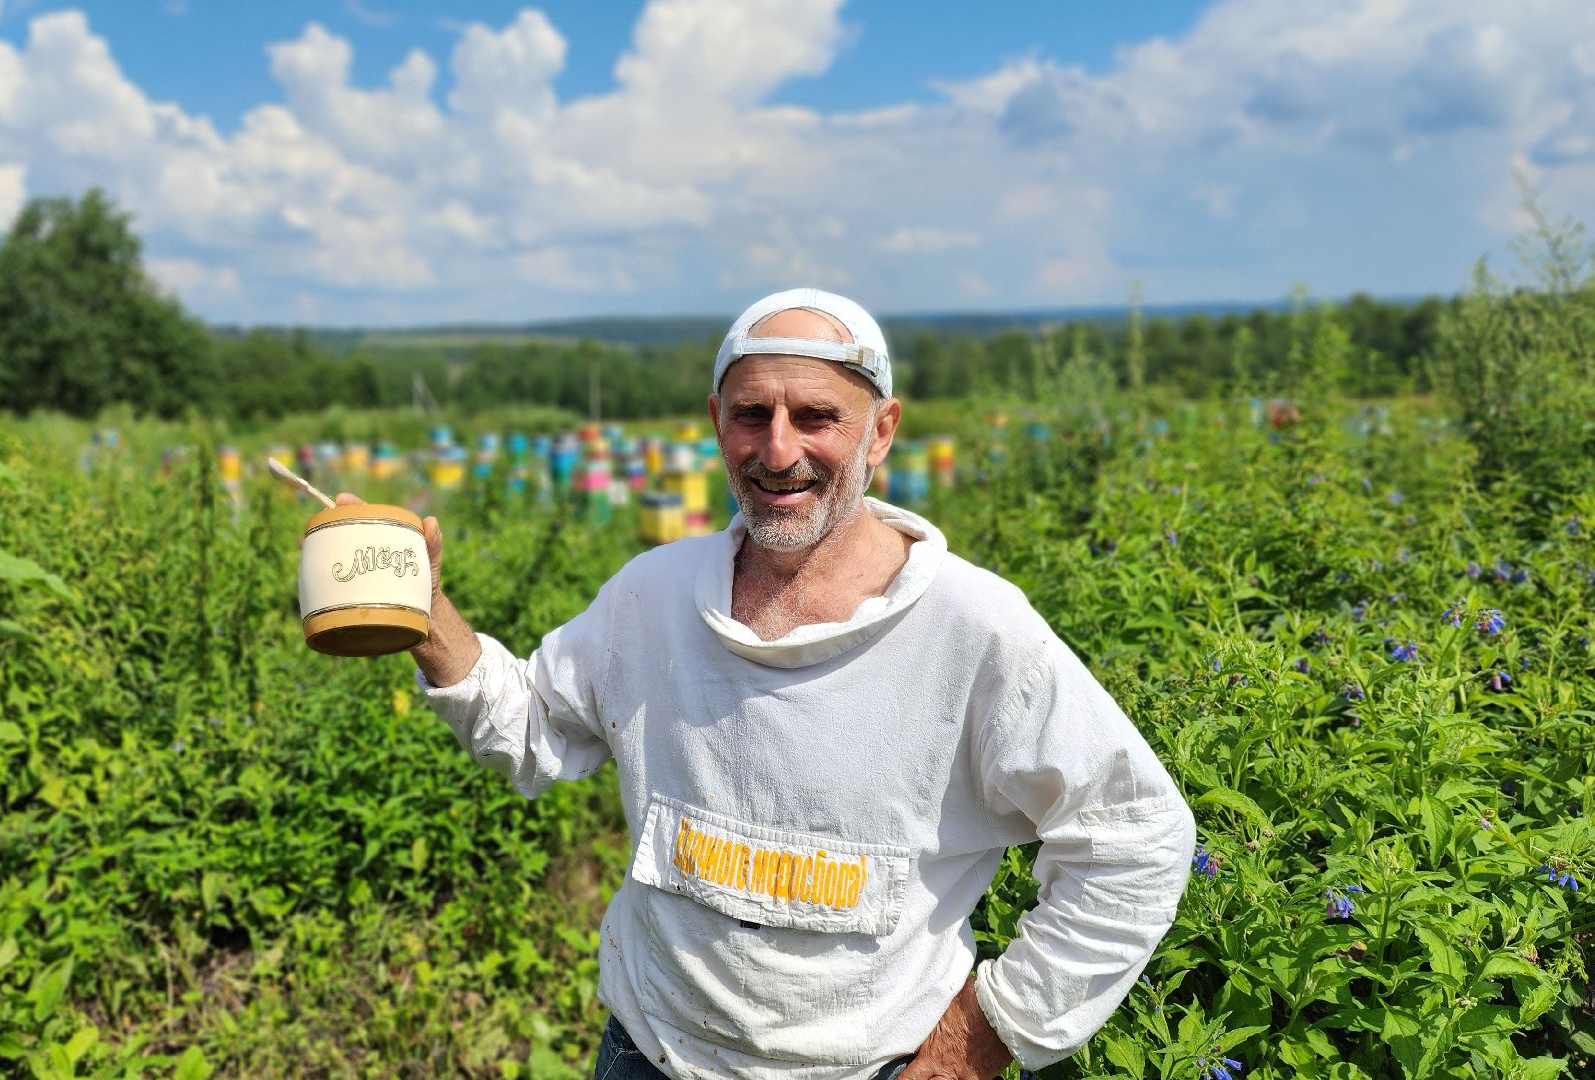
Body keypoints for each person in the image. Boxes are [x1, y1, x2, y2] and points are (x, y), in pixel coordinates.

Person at [348, 288, 1196, 1079]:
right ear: (718, 424)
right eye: (752, 415)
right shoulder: (653, 594)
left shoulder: (973, 627)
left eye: (818, 417)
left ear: (883, 430)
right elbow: (534, 729)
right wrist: (425, 615)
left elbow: (1136, 837)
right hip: (649, 1054)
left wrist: (979, 1037)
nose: (778, 450)